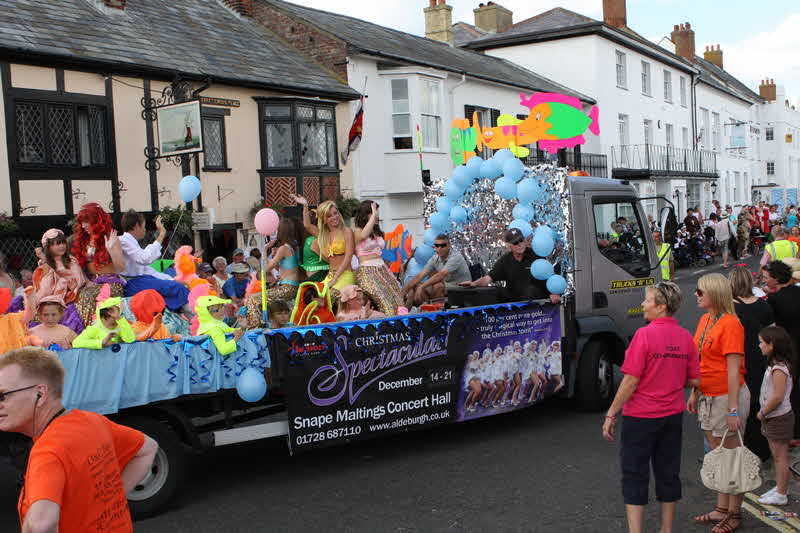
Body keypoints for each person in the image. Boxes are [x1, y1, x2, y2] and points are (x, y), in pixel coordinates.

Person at [0, 347, 157, 533]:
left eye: (2, 395)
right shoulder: (92, 420)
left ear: (40, 394)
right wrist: (108, 501)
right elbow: (148, 448)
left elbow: (41, 525)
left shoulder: (47, 451)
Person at [603, 281, 698, 533]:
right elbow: (693, 380)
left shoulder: (643, 335)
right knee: (668, 472)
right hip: (672, 415)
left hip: (641, 417)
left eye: (647, 300)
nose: (643, 304)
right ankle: (666, 530)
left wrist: (611, 412)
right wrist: (671, 377)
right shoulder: (686, 337)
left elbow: (631, 380)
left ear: (661, 306)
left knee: (635, 473)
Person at [688, 273, 748, 533]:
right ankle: (721, 509)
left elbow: (734, 370)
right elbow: (700, 359)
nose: (696, 295)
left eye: (700, 292)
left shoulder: (731, 323)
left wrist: (733, 409)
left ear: (714, 293)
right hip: (707, 395)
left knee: (731, 458)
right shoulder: (705, 319)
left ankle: (734, 514)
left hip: (726, 397)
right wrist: (694, 392)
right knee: (717, 456)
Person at [729, 266, 774, 462]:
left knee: (738, 403)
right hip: (759, 358)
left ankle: (739, 447)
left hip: (738, 359)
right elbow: (773, 334)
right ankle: (760, 449)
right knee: (758, 401)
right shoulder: (763, 305)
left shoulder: (732, 308)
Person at [461, 228, 561, 304]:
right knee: (496, 292)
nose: (519, 244)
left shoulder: (536, 255)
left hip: (536, 301)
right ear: (509, 246)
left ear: (525, 241)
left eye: (521, 240)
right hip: (516, 300)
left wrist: (555, 293)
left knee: (530, 290)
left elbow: (550, 276)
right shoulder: (505, 260)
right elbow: (489, 278)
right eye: (515, 242)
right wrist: (474, 284)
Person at [118, 210, 190, 312]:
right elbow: (145, 258)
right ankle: (197, 320)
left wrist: (172, 280)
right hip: (134, 283)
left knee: (175, 281)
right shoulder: (123, 241)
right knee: (176, 288)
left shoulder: (129, 242)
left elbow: (148, 268)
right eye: (144, 226)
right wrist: (162, 233)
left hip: (142, 280)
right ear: (136, 226)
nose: (145, 229)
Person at [755, 326, 795, 506]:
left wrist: (763, 412)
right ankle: (780, 487)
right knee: (777, 455)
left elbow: (778, 397)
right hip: (775, 417)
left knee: (780, 457)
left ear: (771, 345)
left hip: (777, 417)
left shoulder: (779, 369)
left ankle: (781, 493)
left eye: (762, 342)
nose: (759, 345)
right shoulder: (776, 365)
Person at [72, 203, 127, 327]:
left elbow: (121, 268)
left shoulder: (110, 237)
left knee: (88, 297)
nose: (83, 225)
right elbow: (78, 266)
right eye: (82, 222)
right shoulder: (84, 240)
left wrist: (111, 249)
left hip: (111, 283)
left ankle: (96, 332)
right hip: (92, 282)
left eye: (87, 221)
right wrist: (86, 281)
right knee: (76, 298)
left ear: (97, 220)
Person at [245, 218, 303, 328]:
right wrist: (272, 255)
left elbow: (266, 269)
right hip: (292, 286)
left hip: (287, 287)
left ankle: (255, 329)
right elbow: (279, 268)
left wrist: (265, 250)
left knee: (253, 299)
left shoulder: (283, 248)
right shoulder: (295, 246)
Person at [295, 196, 356, 296]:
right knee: (311, 297)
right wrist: (305, 206)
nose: (334, 217)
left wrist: (334, 279)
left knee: (328, 297)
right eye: (329, 216)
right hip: (330, 275)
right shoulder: (324, 235)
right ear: (324, 219)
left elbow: (348, 258)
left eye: (335, 213)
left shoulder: (347, 231)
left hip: (345, 275)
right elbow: (307, 226)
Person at [30, 228, 87, 333]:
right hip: (59, 299)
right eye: (56, 244)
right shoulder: (46, 266)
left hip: (77, 294)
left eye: (62, 243)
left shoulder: (71, 260)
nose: (61, 246)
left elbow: (80, 278)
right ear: (48, 247)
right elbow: (45, 287)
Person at [353, 201, 404, 315]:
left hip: (382, 269)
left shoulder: (378, 233)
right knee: (386, 304)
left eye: (377, 213)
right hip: (367, 271)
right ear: (365, 215)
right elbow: (363, 235)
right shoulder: (357, 231)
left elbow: (380, 253)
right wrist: (373, 218)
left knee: (399, 300)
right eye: (373, 213)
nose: (377, 216)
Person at [403, 234, 471, 308]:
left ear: (449, 246)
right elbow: (420, 275)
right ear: (434, 247)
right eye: (437, 245)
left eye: (443, 245)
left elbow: (441, 275)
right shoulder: (435, 258)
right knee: (416, 286)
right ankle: (421, 309)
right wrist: (405, 290)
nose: (439, 248)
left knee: (437, 286)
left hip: (461, 287)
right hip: (448, 286)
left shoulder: (456, 257)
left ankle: (436, 312)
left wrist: (423, 286)